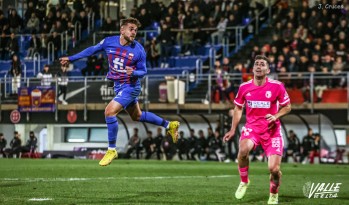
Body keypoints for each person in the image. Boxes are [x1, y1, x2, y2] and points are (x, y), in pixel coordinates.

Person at [60, 17, 180, 166]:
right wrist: (71, 58)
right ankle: (169, 125)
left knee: (109, 112)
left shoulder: (139, 50)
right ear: (122, 30)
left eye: (136, 30)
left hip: (131, 87)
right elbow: (91, 50)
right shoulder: (109, 41)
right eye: (131, 29)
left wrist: (134, 73)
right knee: (137, 116)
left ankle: (111, 149)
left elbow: (144, 71)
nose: (134, 32)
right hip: (118, 85)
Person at [223, 55, 291, 204]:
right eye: (256, 64)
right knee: (242, 151)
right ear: (253, 69)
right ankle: (244, 181)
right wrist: (233, 129)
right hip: (252, 128)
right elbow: (238, 108)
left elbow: (287, 106)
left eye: (262, 64)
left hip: (272, 131)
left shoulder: (277, 86)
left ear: (267, 70)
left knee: (274, 169)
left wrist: (276, 115)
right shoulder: (244, 87)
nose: (259, 66)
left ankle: (273, 193)